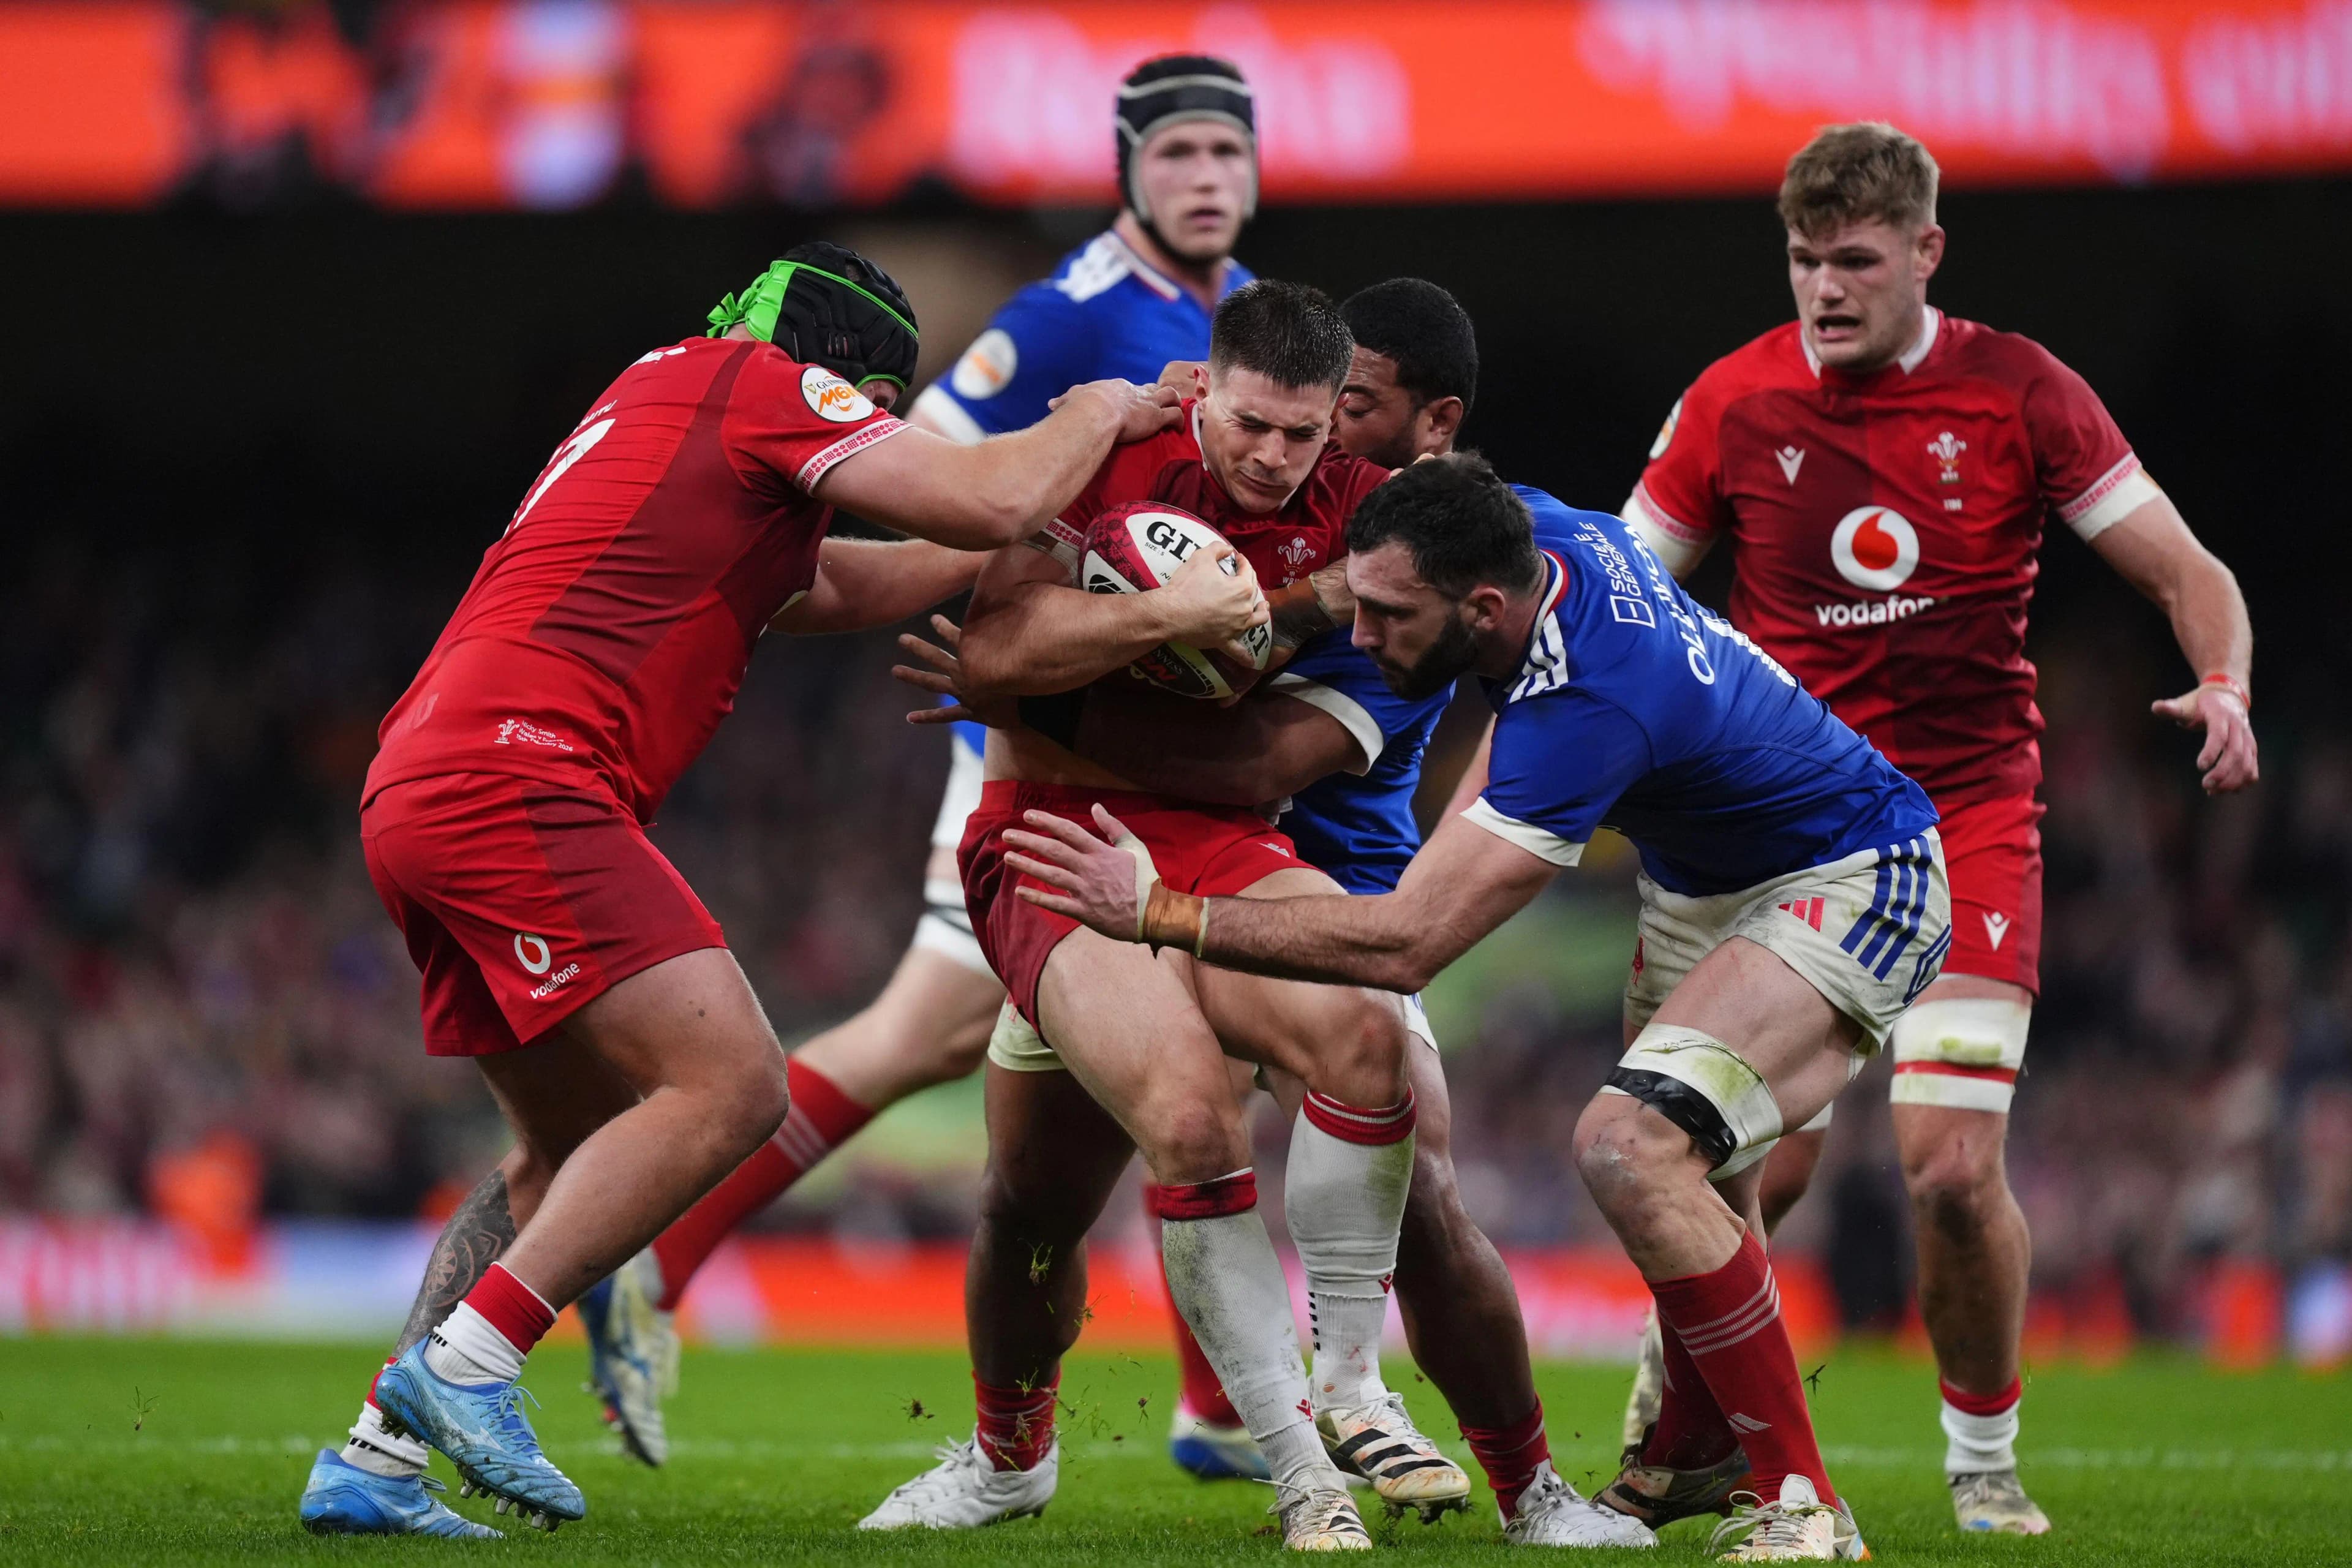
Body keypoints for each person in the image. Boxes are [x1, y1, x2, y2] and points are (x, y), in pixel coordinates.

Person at [293, 243, 1179, 1539]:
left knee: (563, 1151)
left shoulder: (670, 402)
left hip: (427, 779)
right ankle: (470, 1362)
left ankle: (374, 1455)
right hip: (520, 779)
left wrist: (1035, 535)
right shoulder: (763, 382)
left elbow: (830, 582)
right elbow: (980, 500)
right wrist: (1095, 412)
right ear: (856, 378)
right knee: (734, 1085)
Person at [1006, 453, 1953, 1561]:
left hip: (1853, 874)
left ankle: (1804, 1502)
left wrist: (1162, 911)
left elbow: (1406, 945)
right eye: (1363, 603)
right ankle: (1696, 1452)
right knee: (1705, 1187)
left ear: (1484, 608)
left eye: (1392, 616)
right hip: (1711, 882)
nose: (1363, 638)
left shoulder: (1589, 705)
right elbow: (1456, 476)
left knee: (1629, 1151)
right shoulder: (1537, 527)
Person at [578, 52, 1268, 1480]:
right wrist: (995, 632)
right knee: (953, 1031)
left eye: (1227, 154)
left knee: (1160, 1018)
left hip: (1134, 732)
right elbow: (908, 466)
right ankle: (649, 1255)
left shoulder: (1232, 314)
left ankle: (1211, 1402)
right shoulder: (1065, 316)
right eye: (1180, 154)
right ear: (1130, 168)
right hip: (1039, 740)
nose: (1207, 179)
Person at [890, 279, 1653, 1546]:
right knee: (1041, 1197)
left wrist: (1244, 611)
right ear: (1210, 384)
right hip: (1051, 838)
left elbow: (1246, 760)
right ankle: (1006, 1456)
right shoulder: (1108, 448)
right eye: (1257, 424)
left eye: (1309, 432)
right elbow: (993, 653)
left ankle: (1369, 1451)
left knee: (1377, 1063)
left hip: (1250, 841)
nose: (1282, 456)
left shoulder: (1382, 534)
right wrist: (1169, 615)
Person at [1615, 122, 2258, 1536]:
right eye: (1803, 260)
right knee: (1744, 1166)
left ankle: (1982, 1455)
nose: (1825, 288)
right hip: (1786, 829)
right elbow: (1618, 602)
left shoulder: (2022, 392)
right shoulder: (1731, 402)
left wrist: (2224, 680)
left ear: (1925, 253)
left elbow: (2187, 568)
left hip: (1966, 819)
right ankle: (1692, 1427)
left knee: (1952, 1169)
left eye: (1854, 260)